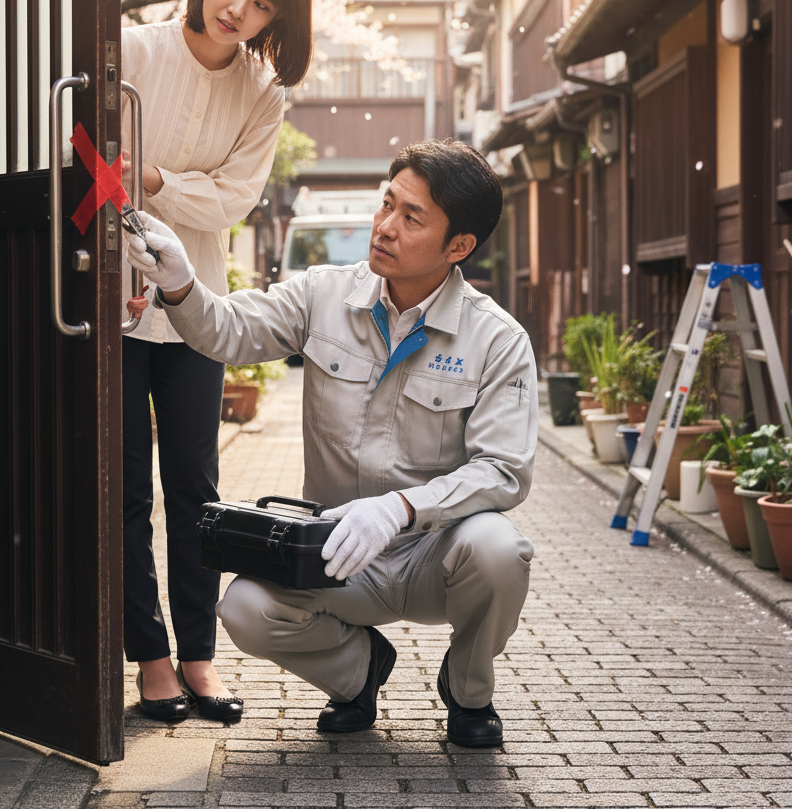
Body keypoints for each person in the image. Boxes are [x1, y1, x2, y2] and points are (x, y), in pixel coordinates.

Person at [125, 138, 537, 748]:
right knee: (244, 608)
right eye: (387, 204)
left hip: (433, 553)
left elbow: (504, 471)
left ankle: (468, 691)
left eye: (411, 217)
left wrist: (398, 508)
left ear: (460, 247)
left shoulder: (497, 340)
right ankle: (358, 674)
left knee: (500, 550)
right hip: (336, 552)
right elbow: (231, 332)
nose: (386, 227)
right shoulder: (323, 294)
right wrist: (182, 283)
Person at [120, 0, 313, 724]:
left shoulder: (262, 95)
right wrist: (142, 225)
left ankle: (199, 657)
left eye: (262, 3)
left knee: (196, 488)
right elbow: (94, 162)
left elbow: (233, 200)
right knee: (126, 491)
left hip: (195, 307)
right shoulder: (130, 51)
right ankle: (152, 659)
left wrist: (160, 176)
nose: (239, 8)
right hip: (117, 298)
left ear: (277, 20)